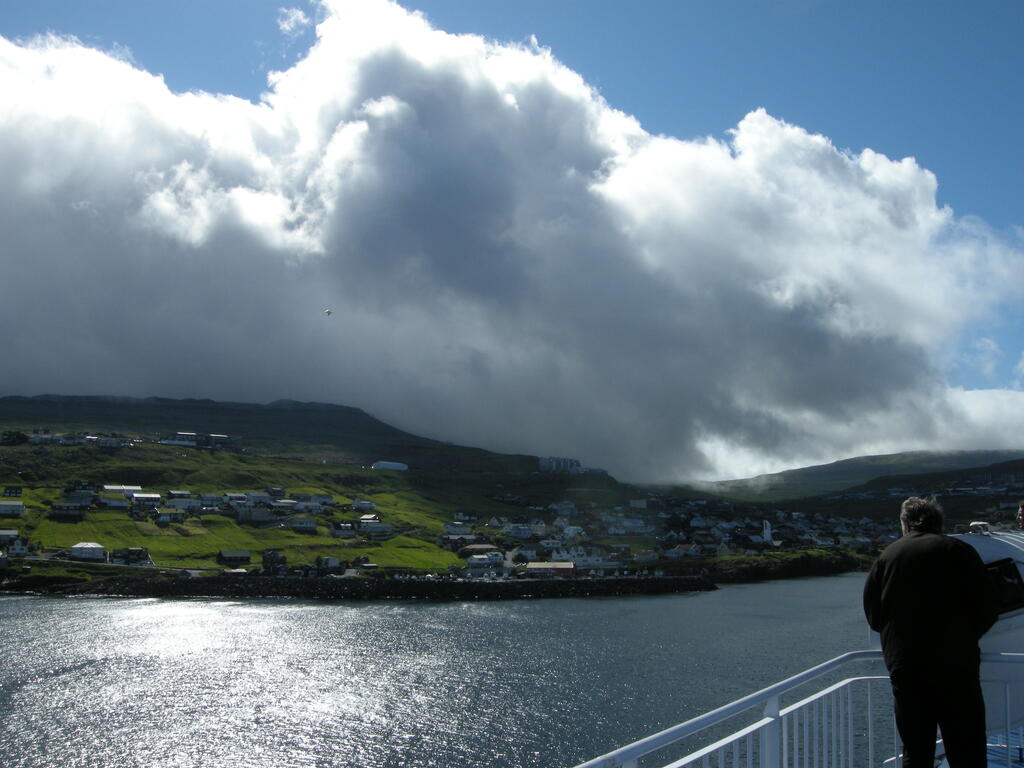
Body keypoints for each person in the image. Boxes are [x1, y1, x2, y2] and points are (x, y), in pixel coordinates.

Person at [863, 496, 998, 768]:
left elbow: (873, 614)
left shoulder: (888, 555)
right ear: (939, 522)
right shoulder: (958, 550)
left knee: (916, 750)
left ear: (905, 523)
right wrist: (966, 636)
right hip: (955, 664)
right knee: (966, 748)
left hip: (906, 666)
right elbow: (988, 605)